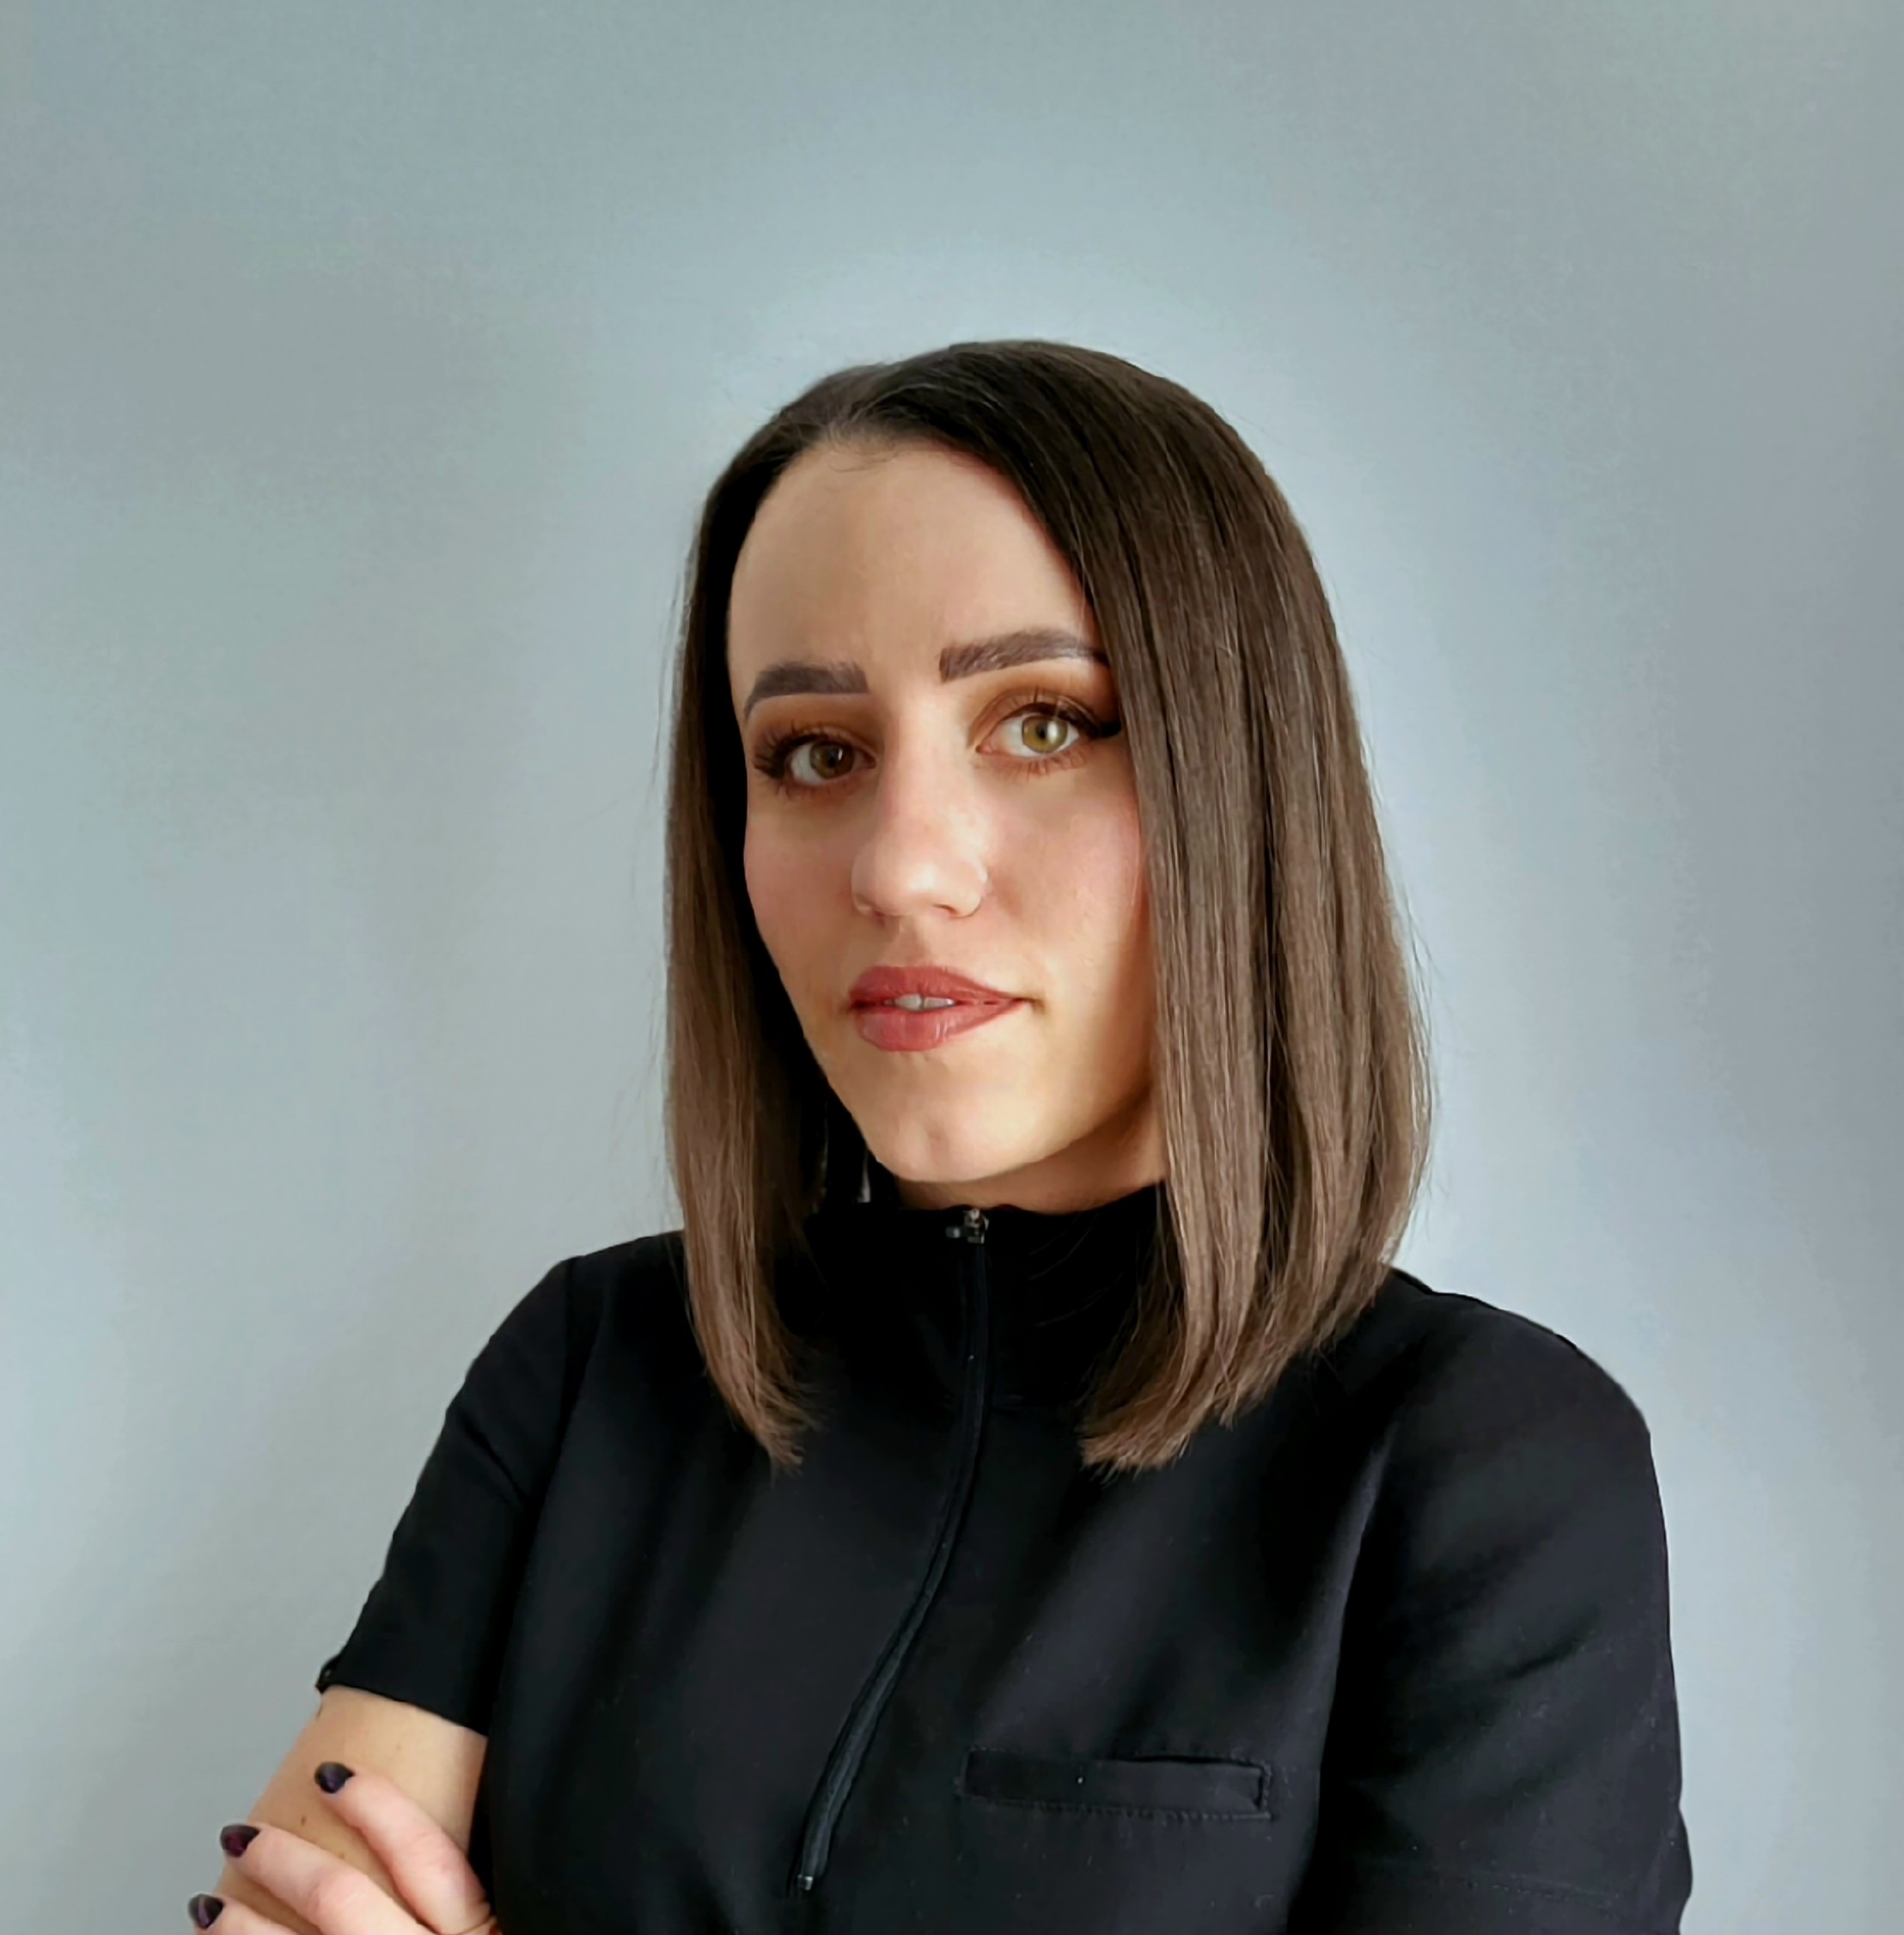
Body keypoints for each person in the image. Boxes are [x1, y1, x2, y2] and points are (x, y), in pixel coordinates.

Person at [190, 340, 1692, 1934]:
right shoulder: (590, 1374)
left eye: (1043, 723)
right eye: (815, 754)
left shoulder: (1481, 1467)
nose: (901, 868)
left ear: (1240, 783)